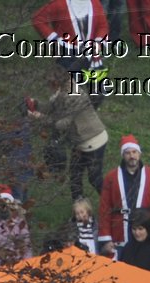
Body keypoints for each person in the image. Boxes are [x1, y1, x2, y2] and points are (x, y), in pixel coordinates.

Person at [30, 66, 106, 202]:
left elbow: (63, 123)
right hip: (80, 141)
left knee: (94, 178)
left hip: (92, 140)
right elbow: (51, 107)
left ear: (57, 82)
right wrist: (35, 104)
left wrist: (40, 117)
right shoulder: (62, 92)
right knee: (75, 175)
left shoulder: (73, 95)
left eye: (50, 83)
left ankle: (114, 204)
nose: (49, 86)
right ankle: (79, 208)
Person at [98, 133, 150, 253]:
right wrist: (106, 237)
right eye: (128, 153)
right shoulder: (111, 177)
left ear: (139, 154)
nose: (132, 156)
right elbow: (105, 208)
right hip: (119, 232)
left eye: (134, 152)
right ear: (123, 155)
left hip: (144, 231)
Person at [114, 208, 150, 275]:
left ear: (148, 229)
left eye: (140, 229)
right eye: (134, 229)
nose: (137, 233)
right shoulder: (128, 246)